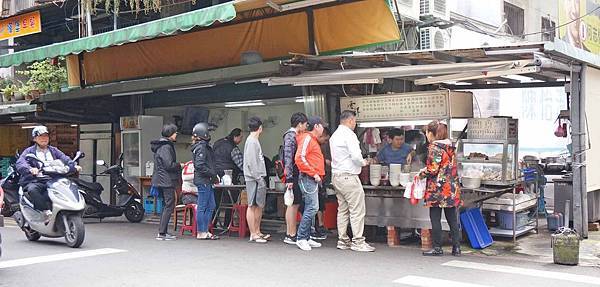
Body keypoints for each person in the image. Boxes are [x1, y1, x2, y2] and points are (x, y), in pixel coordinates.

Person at [329, 111, 376, 252]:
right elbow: (356, 157)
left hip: (337, 176)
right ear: (350, 120)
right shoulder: (349, 135)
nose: (355, 124)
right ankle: (358, 241)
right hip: (349, 177)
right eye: (354, 121)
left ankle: (342, 240)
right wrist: (364, 162)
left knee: (342, 210)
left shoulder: (334, 135)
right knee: (357, 210)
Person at [16, 126, 80, 221]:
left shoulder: (54, 150)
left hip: (53, 179)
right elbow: (21, 162)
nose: (44, 138)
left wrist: (74, 165)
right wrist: (30, 169)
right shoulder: (29, 151)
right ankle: (44, 211)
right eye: (40, 136)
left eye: (46, 136)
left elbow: (65, 158)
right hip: (36, 180)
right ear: (35, 139)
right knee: (33, 190)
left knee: (70, 186)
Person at [419, 121, 462, 256]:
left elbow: (433, 169)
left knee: (435, 218)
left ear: (432, 134)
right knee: (452, 219)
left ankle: (437, 248)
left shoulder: (434, 147)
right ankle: (457, 248)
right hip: (451, 188)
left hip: (437, 189)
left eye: (427, 133)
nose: (426, 136)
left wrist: (420, 174)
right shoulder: (450, 147)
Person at [294, 116, 327, 251]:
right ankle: (301, 238)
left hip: (311, 178)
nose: (323, 129)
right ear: (317, 126)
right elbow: (299, 158)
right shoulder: (308, 139)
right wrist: (313, 173)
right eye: (322, 126)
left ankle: (306, 237)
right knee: (312, 207)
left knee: (311, 207)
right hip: (309, 178)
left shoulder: (310, 139)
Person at [150, 124, 181, 241]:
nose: (176, 134)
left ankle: (163, 232)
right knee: (169, 205)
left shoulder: (161, 146)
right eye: (175, 132)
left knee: (166, 205)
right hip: (166, 180)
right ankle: (162, 233)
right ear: (170, 134)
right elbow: (169, 165)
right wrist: (179, 165)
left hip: (162, 179)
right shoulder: (166, 147)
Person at [282, 112, 308, 245]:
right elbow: (288, 158)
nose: (306, 127)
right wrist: (290, 178)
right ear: (299, 124)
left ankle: (291, 232)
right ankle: (290, 233)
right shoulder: (290, 136)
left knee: (294, 204)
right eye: (305, 124)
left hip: (294, 174)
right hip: (293, 175)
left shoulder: (293, 136)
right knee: (292, 204)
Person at [191, 122, 220, 240]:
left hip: (206, 180)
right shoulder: (201, 147)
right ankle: (201, 231)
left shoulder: (203, 146)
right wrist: (213, 174)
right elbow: (200, 165)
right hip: (203, 180)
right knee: (202, 206)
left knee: (211, 205)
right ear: (203, 133)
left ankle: (205, 230)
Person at [243, 116, 269, 243]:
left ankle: (257, 231)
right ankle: (253, 233)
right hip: (254, 178)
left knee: (258, 205)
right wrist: (258, 178)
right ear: (260, 128)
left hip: (256, 177)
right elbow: (251, 163)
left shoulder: (252, 140)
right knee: (252, 205)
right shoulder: (252, 141)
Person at [213, 128, 244, 227]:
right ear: (235, 137)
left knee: (215, 202)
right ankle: (227, 225)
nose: (241, 140)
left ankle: (212, 224)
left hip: (215, 176)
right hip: (229, 177)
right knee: (230, 203)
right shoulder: (233, 148)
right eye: (241, 137)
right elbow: (241, 164)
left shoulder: (217, 143)